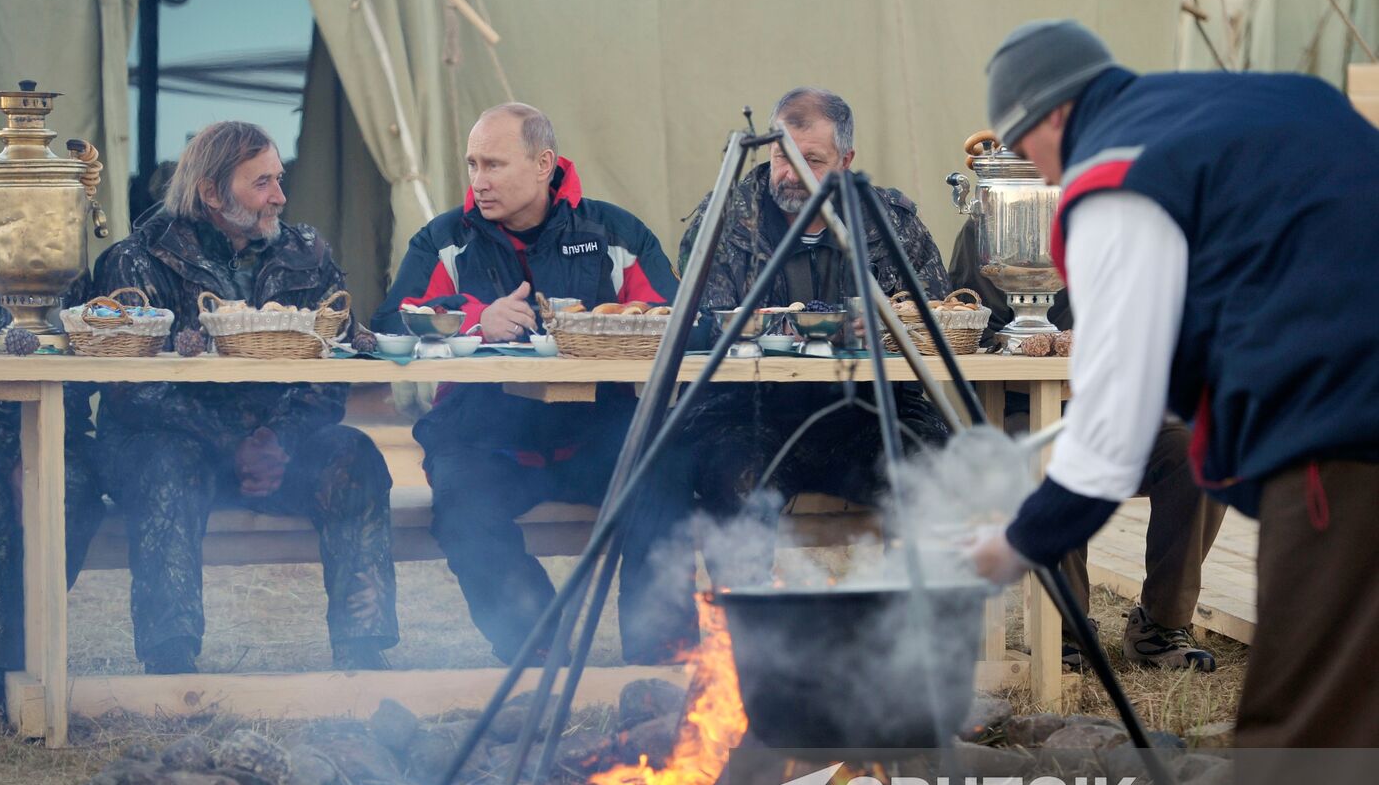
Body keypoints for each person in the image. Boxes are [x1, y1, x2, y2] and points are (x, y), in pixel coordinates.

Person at [967, 21, 1379, 785]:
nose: (1033, 168)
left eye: (1022, 145)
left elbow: (1113, 428)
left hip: (1345, 428)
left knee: (1307, 701)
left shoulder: (1114, 176)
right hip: (1352, 397)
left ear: (1053, 116)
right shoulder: (1264, 100)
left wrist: (1018, 542)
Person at [374, 103, 681, 665]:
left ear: (544, 165)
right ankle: (539, 647)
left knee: (662, 476)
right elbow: (391, 321)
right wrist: (474, 319)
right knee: (463, 508)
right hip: (481, 438)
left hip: (595, 433)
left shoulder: (614, 233)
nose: (478, 181)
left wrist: (612, 324)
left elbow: (676, 316)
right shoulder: (444, 240)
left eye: (493, 164)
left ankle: (662, 654)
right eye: (472, 164)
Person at [93, 121, 398, 675]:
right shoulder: (138, 261)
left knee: (354, 455)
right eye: (261, 184)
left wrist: (278, 442)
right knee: (166, 465)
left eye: (279, 180)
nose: (279, 196)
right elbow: (130, 389)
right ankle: (171, 661)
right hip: (171, 446)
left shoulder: (306, 255)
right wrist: (236, 444)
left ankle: (363, 646)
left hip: (276, 451)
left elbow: (329, 371)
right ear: (211, 192)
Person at [650, 87, 952, 640]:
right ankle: (752, 649)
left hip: (867, 414)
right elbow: (705, 321)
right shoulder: (725, 219)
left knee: (934, 474)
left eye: (812, 160)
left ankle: (912, 649)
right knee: (730, 481)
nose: (792, 174)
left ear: (847, 161)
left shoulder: (889, 222)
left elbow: (935, 313)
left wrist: (889, 326)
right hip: (750, 413)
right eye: (782, 156)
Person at [949, 221, 1226, 670]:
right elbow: (969, 323)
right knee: (1054, 459)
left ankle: (1161, 627)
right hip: (1021, 404)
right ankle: (1064, 630)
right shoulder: (992, 220)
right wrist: (1045, 350)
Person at [0, 277, 105, 716]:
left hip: (54, 434)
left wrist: (31, 452)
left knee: (66, 489)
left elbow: (79, 376)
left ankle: (27, 664)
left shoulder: (57, 272)